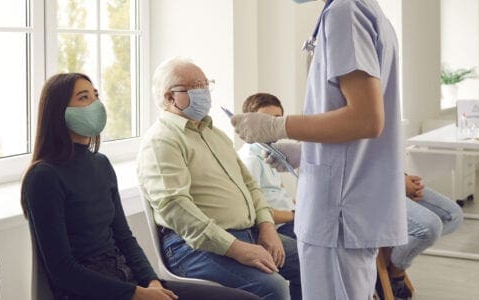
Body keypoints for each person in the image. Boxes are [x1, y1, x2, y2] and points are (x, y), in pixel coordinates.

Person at [22, 73, 259, 300]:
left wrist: (151, 281)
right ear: (58, 111)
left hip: (130, 281)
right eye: (84, 98)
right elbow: (62, 270)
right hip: (93, 292)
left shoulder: (101, 164)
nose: (95, 104)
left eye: (96, 96)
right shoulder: (44, 177)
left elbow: (124, 237)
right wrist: (135, 294)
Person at [231, 0, 406, 298]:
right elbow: (353, 116)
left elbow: (366, 119)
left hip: (339, 211)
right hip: (350, 203)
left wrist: (276, 126)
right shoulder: (364, 10)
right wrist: (306, 152)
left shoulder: (345, 12)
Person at [137, 57, 302, 300]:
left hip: (249, 232)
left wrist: (267, 226)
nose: (203, 92)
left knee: (311, 260)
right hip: (193, 247)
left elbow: (250, 186)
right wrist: (236, 248)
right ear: (169, 97)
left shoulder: (215, 135)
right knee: (273, 287)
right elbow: (176, 209)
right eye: (194, 86)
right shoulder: (161, 141)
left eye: (206, 84)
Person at [379, 175, 462, 299]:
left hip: (391, 180)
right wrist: (396, 183)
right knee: (429, 227)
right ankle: (396, 274)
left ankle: (389, 261)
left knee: (453, 216)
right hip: (370, 188)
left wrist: (404, 179)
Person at [236, 93, 297, 239]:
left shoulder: (269, 152)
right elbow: (251, 211)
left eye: (276, 119)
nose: (271, 126)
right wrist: (295, 215)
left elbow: (278, 193)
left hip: (291, 220)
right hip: (281, 227)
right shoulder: (251, 160)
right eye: (264, 120)